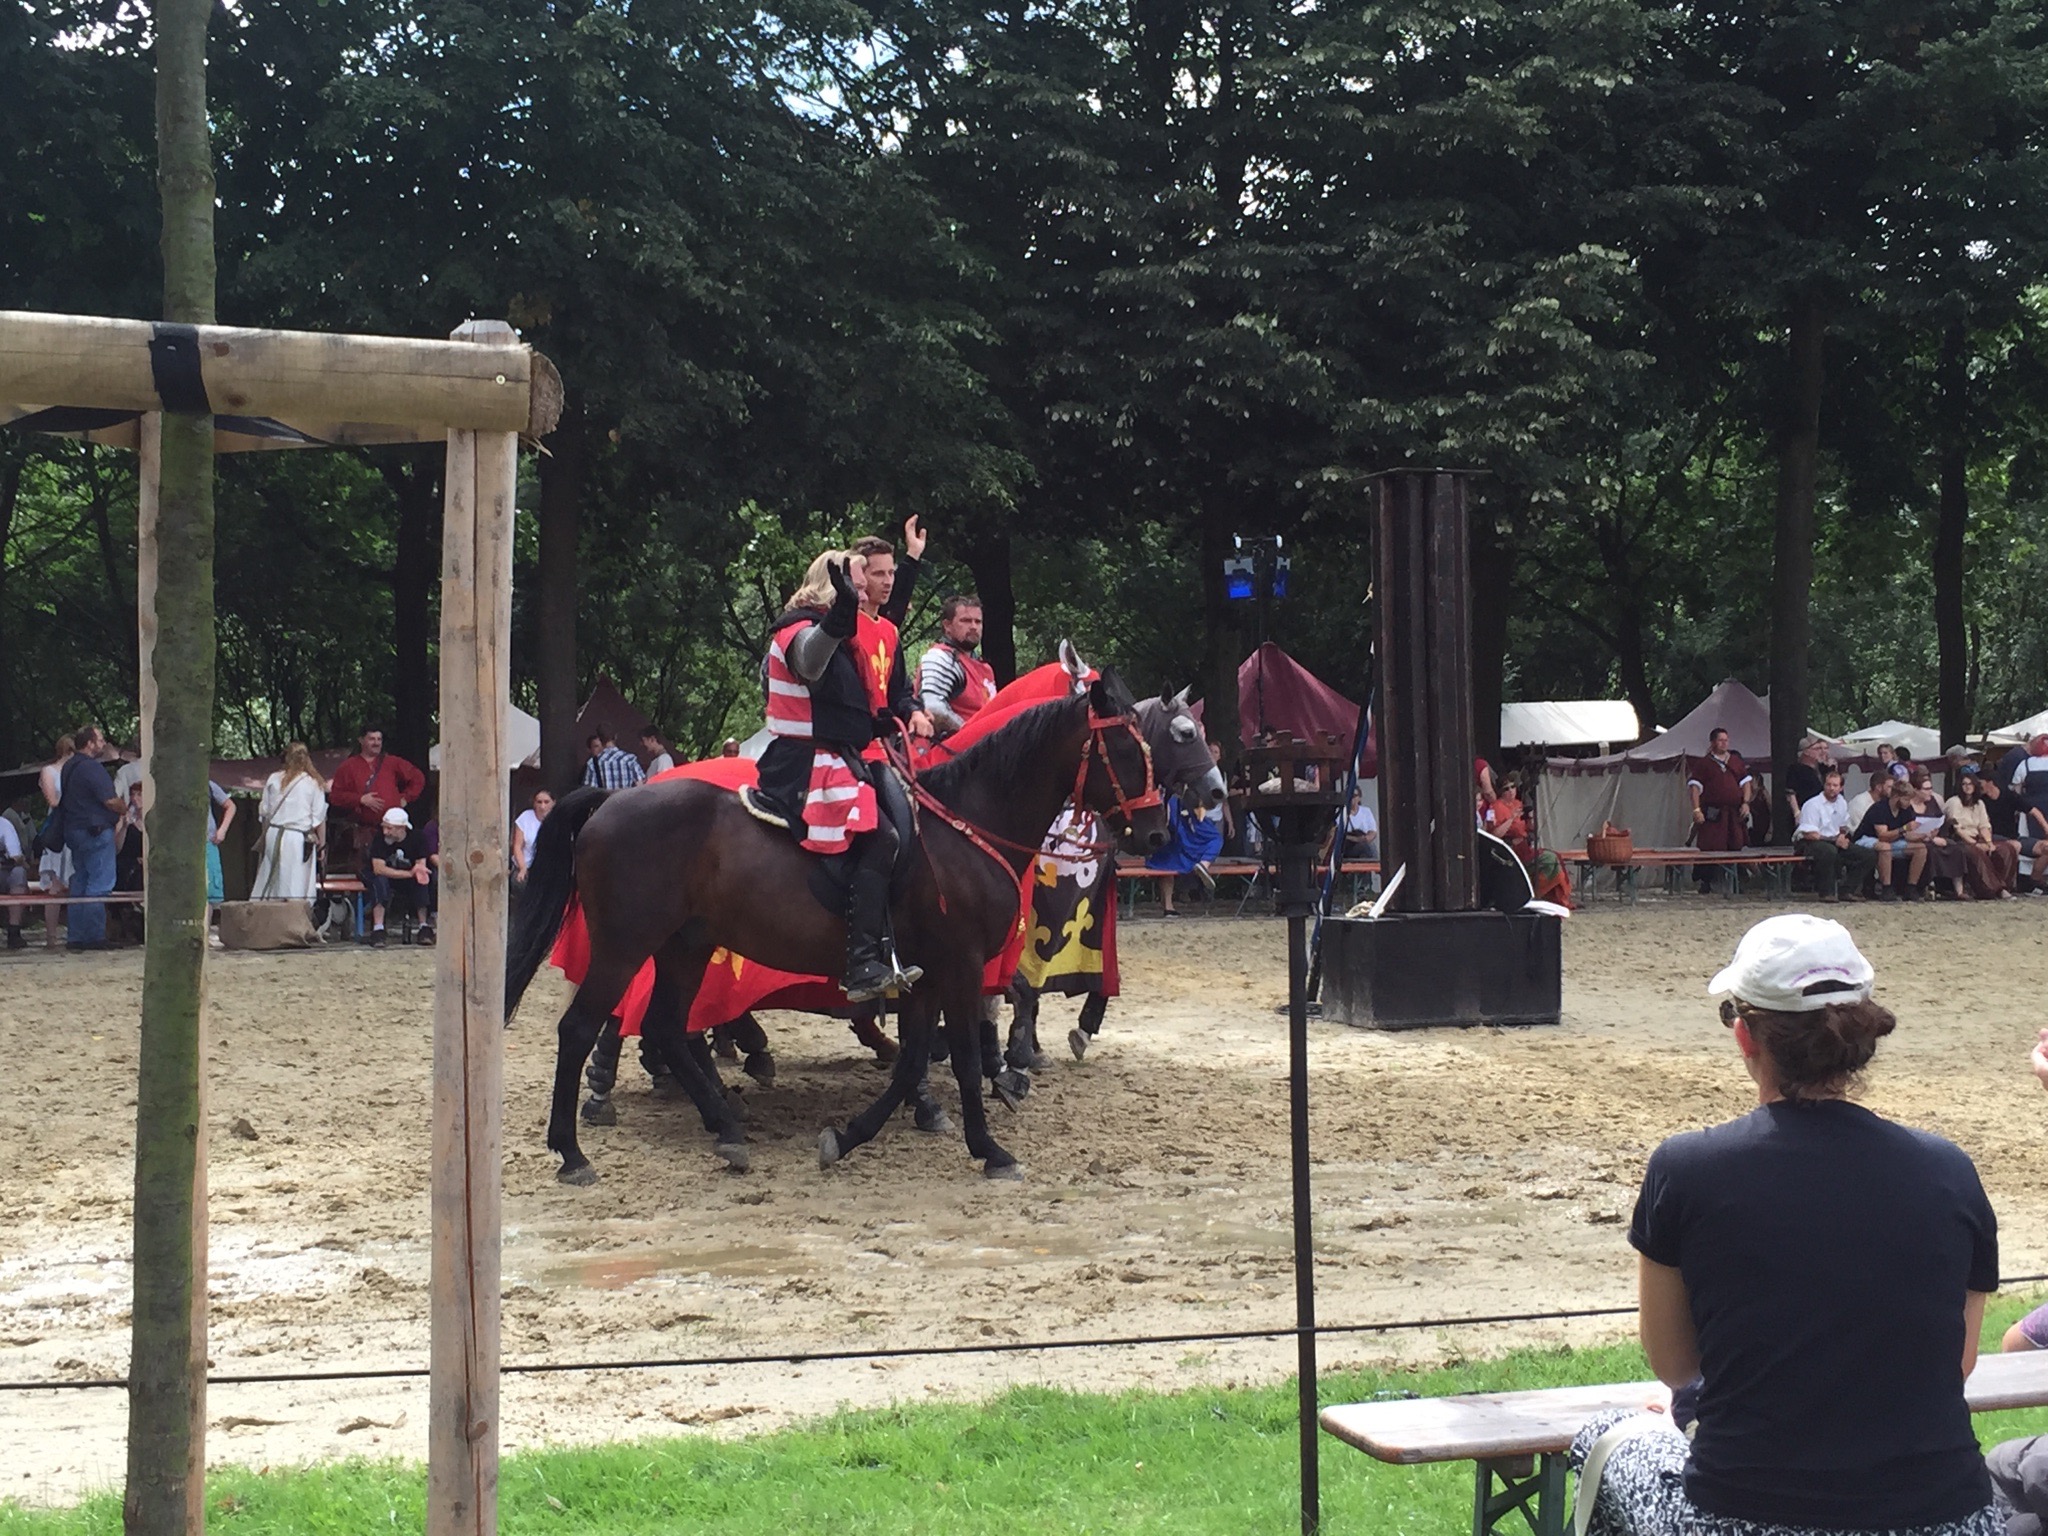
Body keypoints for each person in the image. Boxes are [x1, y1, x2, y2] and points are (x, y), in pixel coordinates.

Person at [1569, 913, 2000, 1536]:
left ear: (1745, 1036)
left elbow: (1675, 1364)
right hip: (1945, 1517)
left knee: (1606, 1437)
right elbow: (1956, 1363)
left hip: (1744, 1513)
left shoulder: (1687, 1168)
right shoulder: (1950, 1170)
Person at [751, 549, 922, 1000]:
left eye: (862, 589)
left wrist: (888, 719)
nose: (864, 595)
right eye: (856, 587)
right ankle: (860, 961)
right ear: (834, 586)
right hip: (804, 761)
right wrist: (841, 613)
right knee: (881, 838)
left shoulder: (846, 637)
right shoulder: (796, 628)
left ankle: (884, 944)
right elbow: (811, 662)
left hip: (840, 756)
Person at [849, 520, 934, 748]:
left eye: (891, 573)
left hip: (881, 744)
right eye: (878, 574)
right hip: (847, 745)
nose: (888, 582)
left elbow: (899, 692)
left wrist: (914, 712)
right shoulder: (844, 627)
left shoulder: (889, 630)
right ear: (858, 577)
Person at [58, 726, 123, 952]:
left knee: (80, 882)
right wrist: (124, 808)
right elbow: (110, 800)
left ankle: (75, 937)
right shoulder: (92, 768)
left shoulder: (69, 767)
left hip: (74, 831)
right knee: (100, 883)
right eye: (101, 740)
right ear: (90, 743)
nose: (103, 744)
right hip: (96, 831)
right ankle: (95, 936)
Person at [252, 743, 328, 902]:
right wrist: (322, 845)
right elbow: (319, 818)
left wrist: (265, 837)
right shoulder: (314, 783)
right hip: (298, 838)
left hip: (274, 834)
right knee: (295, 879)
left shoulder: (274, 779)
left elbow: (265, 812)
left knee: (271, 877)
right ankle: (293, 911)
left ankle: (268, 910)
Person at [918, 594, 998, 737]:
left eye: (978, 622)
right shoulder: (941, 658)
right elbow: (934, 708)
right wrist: (968, 732)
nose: (973, 627)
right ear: (947, 626)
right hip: (952, 745)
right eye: (966, 621)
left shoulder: (984, 668)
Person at [1688, 727, 1753, 894]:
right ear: (1713, 742)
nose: (1724, 743)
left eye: (1726, 740)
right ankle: (1707, 881)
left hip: (1734, 813)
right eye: (1720, 740)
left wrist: (1746, 803)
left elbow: (1746, 783)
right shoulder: (1704, 764)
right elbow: (1695, 787)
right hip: (1713, 812)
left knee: (1736, 844)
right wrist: (1696, 810)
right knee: (1711, 845)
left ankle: (1737, 881)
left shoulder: (1736, 762)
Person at [1793, 769, 1874, 901]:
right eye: (1828, 784)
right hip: (1810, 842)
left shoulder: (1841, 802)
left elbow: (1843, 825)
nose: (1831, 788)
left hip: (1834, 840)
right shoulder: (1812, 804)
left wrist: (1842, 836)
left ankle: (1847, 890)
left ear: (1841, 788)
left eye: (1835, 785)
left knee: (1868, 855)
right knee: (1829, 851)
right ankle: (1826, 893)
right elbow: (1809, 834)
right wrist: (1834, 840)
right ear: (1824, 785)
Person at [361, 805, 436, 948]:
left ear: (402, 828)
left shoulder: (418, 838)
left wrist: (415, 873)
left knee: (422, 879)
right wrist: (409, 873)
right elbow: (378, 868)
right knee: (379, 882)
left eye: (389, 828)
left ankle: (424, 926)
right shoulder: (380, 838)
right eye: (384, 827)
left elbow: (421, 865)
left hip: (406, 875)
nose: (385, 832)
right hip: (386, 875)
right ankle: (378, 928)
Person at [328, 726, 426, 834]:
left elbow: (418, 777)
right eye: (372, 739)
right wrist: (360, 799)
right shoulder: (347, 766)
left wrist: (406, 798)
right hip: (363, 831)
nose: (376, 743)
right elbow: (335, 796)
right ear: (361, 740)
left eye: (379, 739)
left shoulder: (392, 762)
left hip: (394, 828)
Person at [1946, 768, 2018, 901]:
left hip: (1978, 837)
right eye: (1964, 784)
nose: (1967, 787)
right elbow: (1957, 829)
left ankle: (2004, 886)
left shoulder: (1979, 803)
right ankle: (1993, 890)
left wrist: (1989, 843)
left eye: (1970, 784)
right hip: (1960, 840)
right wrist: (1974, 843)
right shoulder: (1954, 802)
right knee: (1975, 852)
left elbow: (1984, 825)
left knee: (2007, 849)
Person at [1855, 775, 1927, 901]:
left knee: (1920, 849)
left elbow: (1908, 833)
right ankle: (1886, 887)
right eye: (1906, 799)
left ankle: (1911, 887)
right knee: (1885, 848)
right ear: (1896, 797)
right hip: (1868, 838)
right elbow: (1883, 835)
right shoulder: (1879, 808)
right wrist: (1904, 829)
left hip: (1893, 840)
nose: (1908, 803)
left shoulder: (1906, 809)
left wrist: (1923, 835)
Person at [1908, 764, 1971, 900]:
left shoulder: (1932, 802)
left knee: (1955, 848)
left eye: (1931, 788)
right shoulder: (1908, 806)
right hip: (1917, 839)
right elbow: (1907, 828)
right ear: (1916, 790)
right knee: (1931, 851)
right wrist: (1928, 837)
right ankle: (1927, 887)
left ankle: (1958, 890)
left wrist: (1938, 834)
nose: (1930, 792)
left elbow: (1939, 820)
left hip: (1934, 836)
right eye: (1926, 789)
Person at [35, 734, 75, 942]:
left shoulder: (77, 772)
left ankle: (75, 932)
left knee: (75, 882)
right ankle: (51, 935)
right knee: (55, 884)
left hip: (75, 827)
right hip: (59, 828)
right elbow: (52, 800)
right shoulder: (49, 771)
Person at [1782, 735, 1830, 829]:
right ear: (1806, 751)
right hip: (1806, 812)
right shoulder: (1795, 769)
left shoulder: (1823, 769)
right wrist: (1797, 812)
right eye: (1817, 749)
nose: (1821, 752)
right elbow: (1790, 792)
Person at [582, 725, 646, 789]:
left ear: (599, 739)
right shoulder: (630, 759)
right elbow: (640, 786)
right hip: (626, 795)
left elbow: (590, 790)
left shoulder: (592, 763)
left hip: (605, 795)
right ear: (616, 736)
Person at [511, 788, 555, 880]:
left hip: (548, 870)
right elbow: (517, 846)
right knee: (519, 883)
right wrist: (523, 868)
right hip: (527, 867)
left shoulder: (558, 821)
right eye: (539, 802)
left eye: (546, 802)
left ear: (553, 803)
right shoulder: (525, 818)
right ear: (534, 803)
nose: (542, 806)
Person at [204, 779, 236, 906]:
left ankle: (209, 919)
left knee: (211, 895)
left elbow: (230, 806)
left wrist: (222, 830)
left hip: (208, 842)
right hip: (184, 846)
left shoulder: (207, 784)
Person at [0, 811, 26, 949]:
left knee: (18, 874)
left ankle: (14, 931)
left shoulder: (4, 825)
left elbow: (16, 856)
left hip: (2, 871)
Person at [1342, 786, 1378, 861]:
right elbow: (1337, 834)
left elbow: (1373, 831)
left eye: (1354, 796)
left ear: (1359, 798)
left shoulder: (1366, 811)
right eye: (1349, 795)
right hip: (1348, 848)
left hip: (1364, 843)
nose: (1352, 799)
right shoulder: (1341, 813)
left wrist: (1367, 838)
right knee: (1367, 847)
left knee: (1369, 847)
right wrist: (1357, 839)